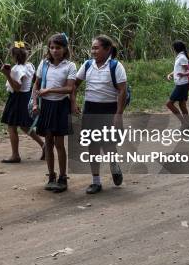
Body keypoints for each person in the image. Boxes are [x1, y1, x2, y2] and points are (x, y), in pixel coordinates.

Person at [74, 36, 126, 194]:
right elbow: (75, 85)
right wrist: (73, 102)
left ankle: (114, 165)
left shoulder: (115, 66)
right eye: (92, 48)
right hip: (90, 109)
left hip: (108, 110)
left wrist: (118, 114)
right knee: (93, 146)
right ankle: (96, 181)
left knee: (109, 144)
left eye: (96, 48)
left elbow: (122, 90)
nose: (93, 51)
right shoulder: (87, 64)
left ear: (107, 49)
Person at [32, 33, 76, 193]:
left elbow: (70, 88)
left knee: (59, 143)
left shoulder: (70, 66)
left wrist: (50, 89)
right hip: (46, 106)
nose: (55, 51)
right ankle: (51, 175)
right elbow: (35, 86)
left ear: (65, 49)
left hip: (61, 106)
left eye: (58, 47)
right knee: (48, 142)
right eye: (52, 47)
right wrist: (35, 103)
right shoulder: (44, 64)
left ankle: (63, 177)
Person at [0, 42, 45, 163]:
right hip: (26, 96)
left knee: (11, 126)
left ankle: (15, 155)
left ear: (14, 56)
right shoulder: (29, 66)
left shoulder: (16, 69)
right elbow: (34, 79)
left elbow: (17, 87)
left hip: (17, 98)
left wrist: (7, 74)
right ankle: (43, 144)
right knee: (25, 126)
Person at [166, 41, 189, 130]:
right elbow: (178, 70)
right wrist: (170, 74)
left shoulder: (182, 58)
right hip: (181, 83)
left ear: (176, 48)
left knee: (169, 104)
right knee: (182, 105)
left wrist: (184, 75)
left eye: (173, 48)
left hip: (182, 84)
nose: (173, 49)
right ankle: (187, 126)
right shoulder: (180, 57)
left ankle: (184, 123)